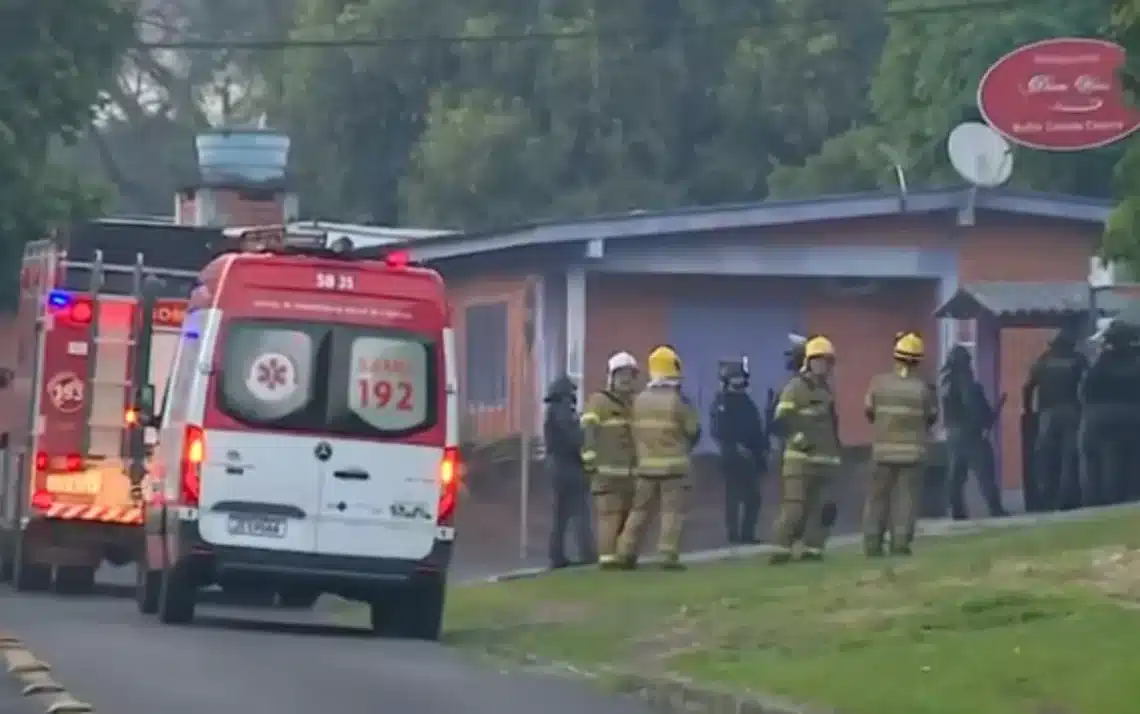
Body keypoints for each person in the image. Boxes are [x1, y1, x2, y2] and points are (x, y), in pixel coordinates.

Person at [614, 345, 700, 570]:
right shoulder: (678, 400)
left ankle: (625, 552)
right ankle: (667, 554)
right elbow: (693, 429)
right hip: (674, 467)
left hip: (646, 467)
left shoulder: (639, 400)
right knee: (671, 512)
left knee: (639, 512)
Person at [862, 332, 938, 557]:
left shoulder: (878, 383)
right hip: (912, 454)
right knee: (906, 499)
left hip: (882, 452)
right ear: (918, 360)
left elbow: (869, 412)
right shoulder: (923, 389)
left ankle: (872, 543)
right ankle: (900, 543)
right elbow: (931, 417)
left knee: (877, 498)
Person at [769, 335, 842, 564]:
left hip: (825, 461)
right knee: (795, 509)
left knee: (824, 510)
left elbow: (830, 426)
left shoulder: (826, 391)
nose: (824, 366)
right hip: (800, 460)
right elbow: (781, 422)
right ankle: (780, 550)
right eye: (819, 361)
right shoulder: (795, 388)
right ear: (808, 361)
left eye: (828, 361)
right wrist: (801, 441)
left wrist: (836, 454)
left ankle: (813, 550)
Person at [580, 351, 640, 569]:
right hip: (606, 474)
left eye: (630, 376)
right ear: (611, 378)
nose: (626, 380)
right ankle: (607, 560)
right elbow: (588, 430)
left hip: (631, 476)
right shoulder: (599, 402)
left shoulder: (635, 404)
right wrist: (589, 460)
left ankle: (625, 558)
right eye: (621, 375)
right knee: (609, 517)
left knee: (628, 519)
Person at [1023, 325, 1086, 511]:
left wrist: (1028, 411)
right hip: (1071, 411)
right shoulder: (1077, 360)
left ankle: (1045, 497)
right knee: (1069, 456)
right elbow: (1088, 384)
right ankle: (1067, 499)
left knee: (1046, 457)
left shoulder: (1042, 361)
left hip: (1047, 414)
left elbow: (1028, 387)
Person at [941, 346, 1007, 520]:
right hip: (971, 435)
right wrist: (985, 421)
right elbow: (974, 406)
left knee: (956, 477)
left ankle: (958, 512)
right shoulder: (967, 382)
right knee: (985, 472)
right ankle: (995, 508)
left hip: (953, 435)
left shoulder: (946, 383)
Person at [1078, 322, 1140, 505]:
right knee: (1132, 458)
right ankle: (1130, 495)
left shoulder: (1099, 363)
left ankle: (1095, 498)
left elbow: (1084, 392)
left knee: (1092, 455)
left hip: (1099, 415)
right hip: (1132, 414)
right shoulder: (1135, 362)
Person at [710, 359, 767, 544]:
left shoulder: (746, 402)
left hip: (751, 456)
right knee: (733, 498)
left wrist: (761, 451)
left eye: (741, 378)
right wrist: (735, 448)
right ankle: (734, 536)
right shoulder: (722, 402)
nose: (739, 383)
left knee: (753, 499)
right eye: (735, 379)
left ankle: (747, 534)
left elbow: (756, 428)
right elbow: (720, 431)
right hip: (733, 457)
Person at [543, 375, 595, 568]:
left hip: (556, 468)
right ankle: (587, 553)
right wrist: (584, 433)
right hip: (569, 468)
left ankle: (556, 556)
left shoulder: (551, 411)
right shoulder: (564, 411)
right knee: (580, 511)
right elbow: (575, 438)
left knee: (561, 516)